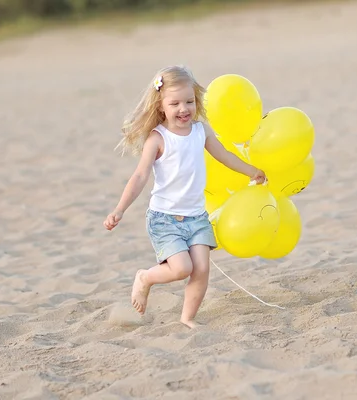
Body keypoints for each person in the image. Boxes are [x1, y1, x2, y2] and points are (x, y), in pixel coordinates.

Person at [103, 65, 266, 329]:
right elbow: (140, 176)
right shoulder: (158, 138)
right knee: (181, 269)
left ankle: (187, 318)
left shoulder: (201, 131)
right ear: (161, 107)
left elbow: (224, 156)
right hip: (165, 219)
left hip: (197, 218)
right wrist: (120, 209)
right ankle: (145, 278)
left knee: (201, 269)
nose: (184, 109)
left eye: (189, 101)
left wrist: (252, 171)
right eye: (175, 103)